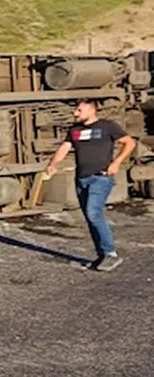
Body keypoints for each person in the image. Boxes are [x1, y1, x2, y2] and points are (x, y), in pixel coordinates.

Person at [44, 98, 137, 271]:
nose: (75, 113)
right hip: (81, 179)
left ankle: (111, 254)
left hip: (100, 178)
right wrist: (52, 164)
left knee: (93, 213)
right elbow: (64, 149)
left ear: (91, 110)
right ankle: (102, 255)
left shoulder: (108, 126)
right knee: (89, 217)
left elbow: (129, 143)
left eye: (79, 110)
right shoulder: (74, 130)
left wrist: (117, 162)